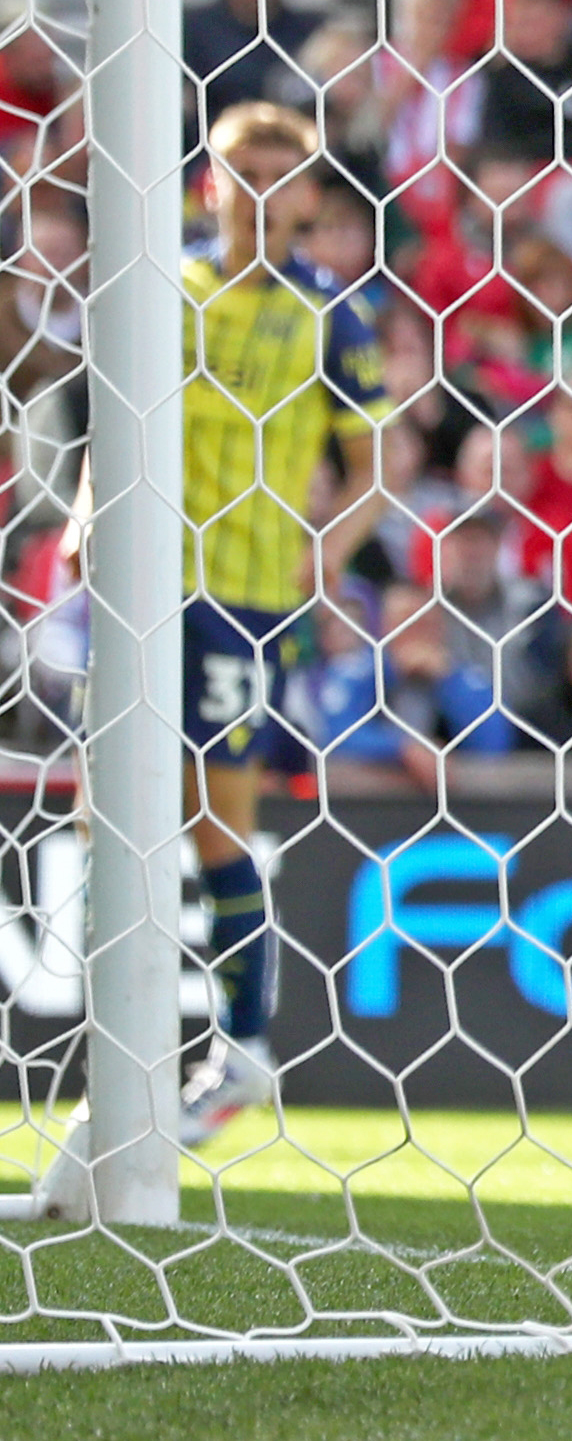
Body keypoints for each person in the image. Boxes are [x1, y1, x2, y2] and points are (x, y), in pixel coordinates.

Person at [93, 105, 384, 1145]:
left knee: (216, 824)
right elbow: (112, 419)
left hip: (242, 601)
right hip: (134, 589)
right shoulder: (161, 286)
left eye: (282, 174)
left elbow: (370, 473)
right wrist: (87, 508)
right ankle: (118, 1068)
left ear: (308, 194)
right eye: (240, 170)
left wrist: (323, 556)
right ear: (206, 180)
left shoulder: (329, 316)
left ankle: (242, 1048)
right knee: (110, 822)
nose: (261, 191)